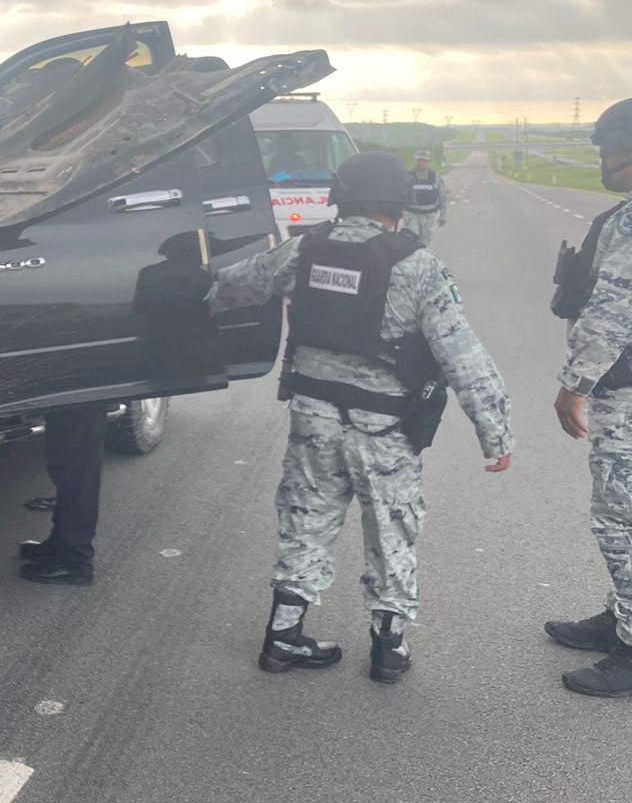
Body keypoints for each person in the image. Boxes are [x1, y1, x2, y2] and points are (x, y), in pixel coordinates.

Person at [209, 151, 512, 682]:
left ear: (340, 197)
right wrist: (496, 433)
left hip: (313, 418)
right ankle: (388, 650)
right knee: (392, 530)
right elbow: (462, 357)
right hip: (386, 429)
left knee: (306, 522)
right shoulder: (417, 265)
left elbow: (234, 288)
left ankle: (283, 638)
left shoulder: (305, 250)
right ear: (396, 205)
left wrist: (187, 293)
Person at [546, 97, 632, 697]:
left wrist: (574, 384)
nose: (603, 158)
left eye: (609, 146)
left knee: (620, 519)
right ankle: (619, 617)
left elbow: (613, 308)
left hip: (624, 391)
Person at [18, 404, 108, 585]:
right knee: (65, 467)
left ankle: (75, 562)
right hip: (69, 396)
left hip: (81, 393)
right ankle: (61, 544)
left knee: (77, 473)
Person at [402, 149, 447, 246]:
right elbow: (400, 194)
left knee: (424, 242)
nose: (421, 163)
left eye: (424, 160)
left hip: (429, 215)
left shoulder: (435, 177)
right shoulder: (407, 176)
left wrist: (443, 216)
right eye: (419, 160)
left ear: (428, 162)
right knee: (410, 238)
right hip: (411, 213)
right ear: (415, 161)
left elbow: (442, 197)